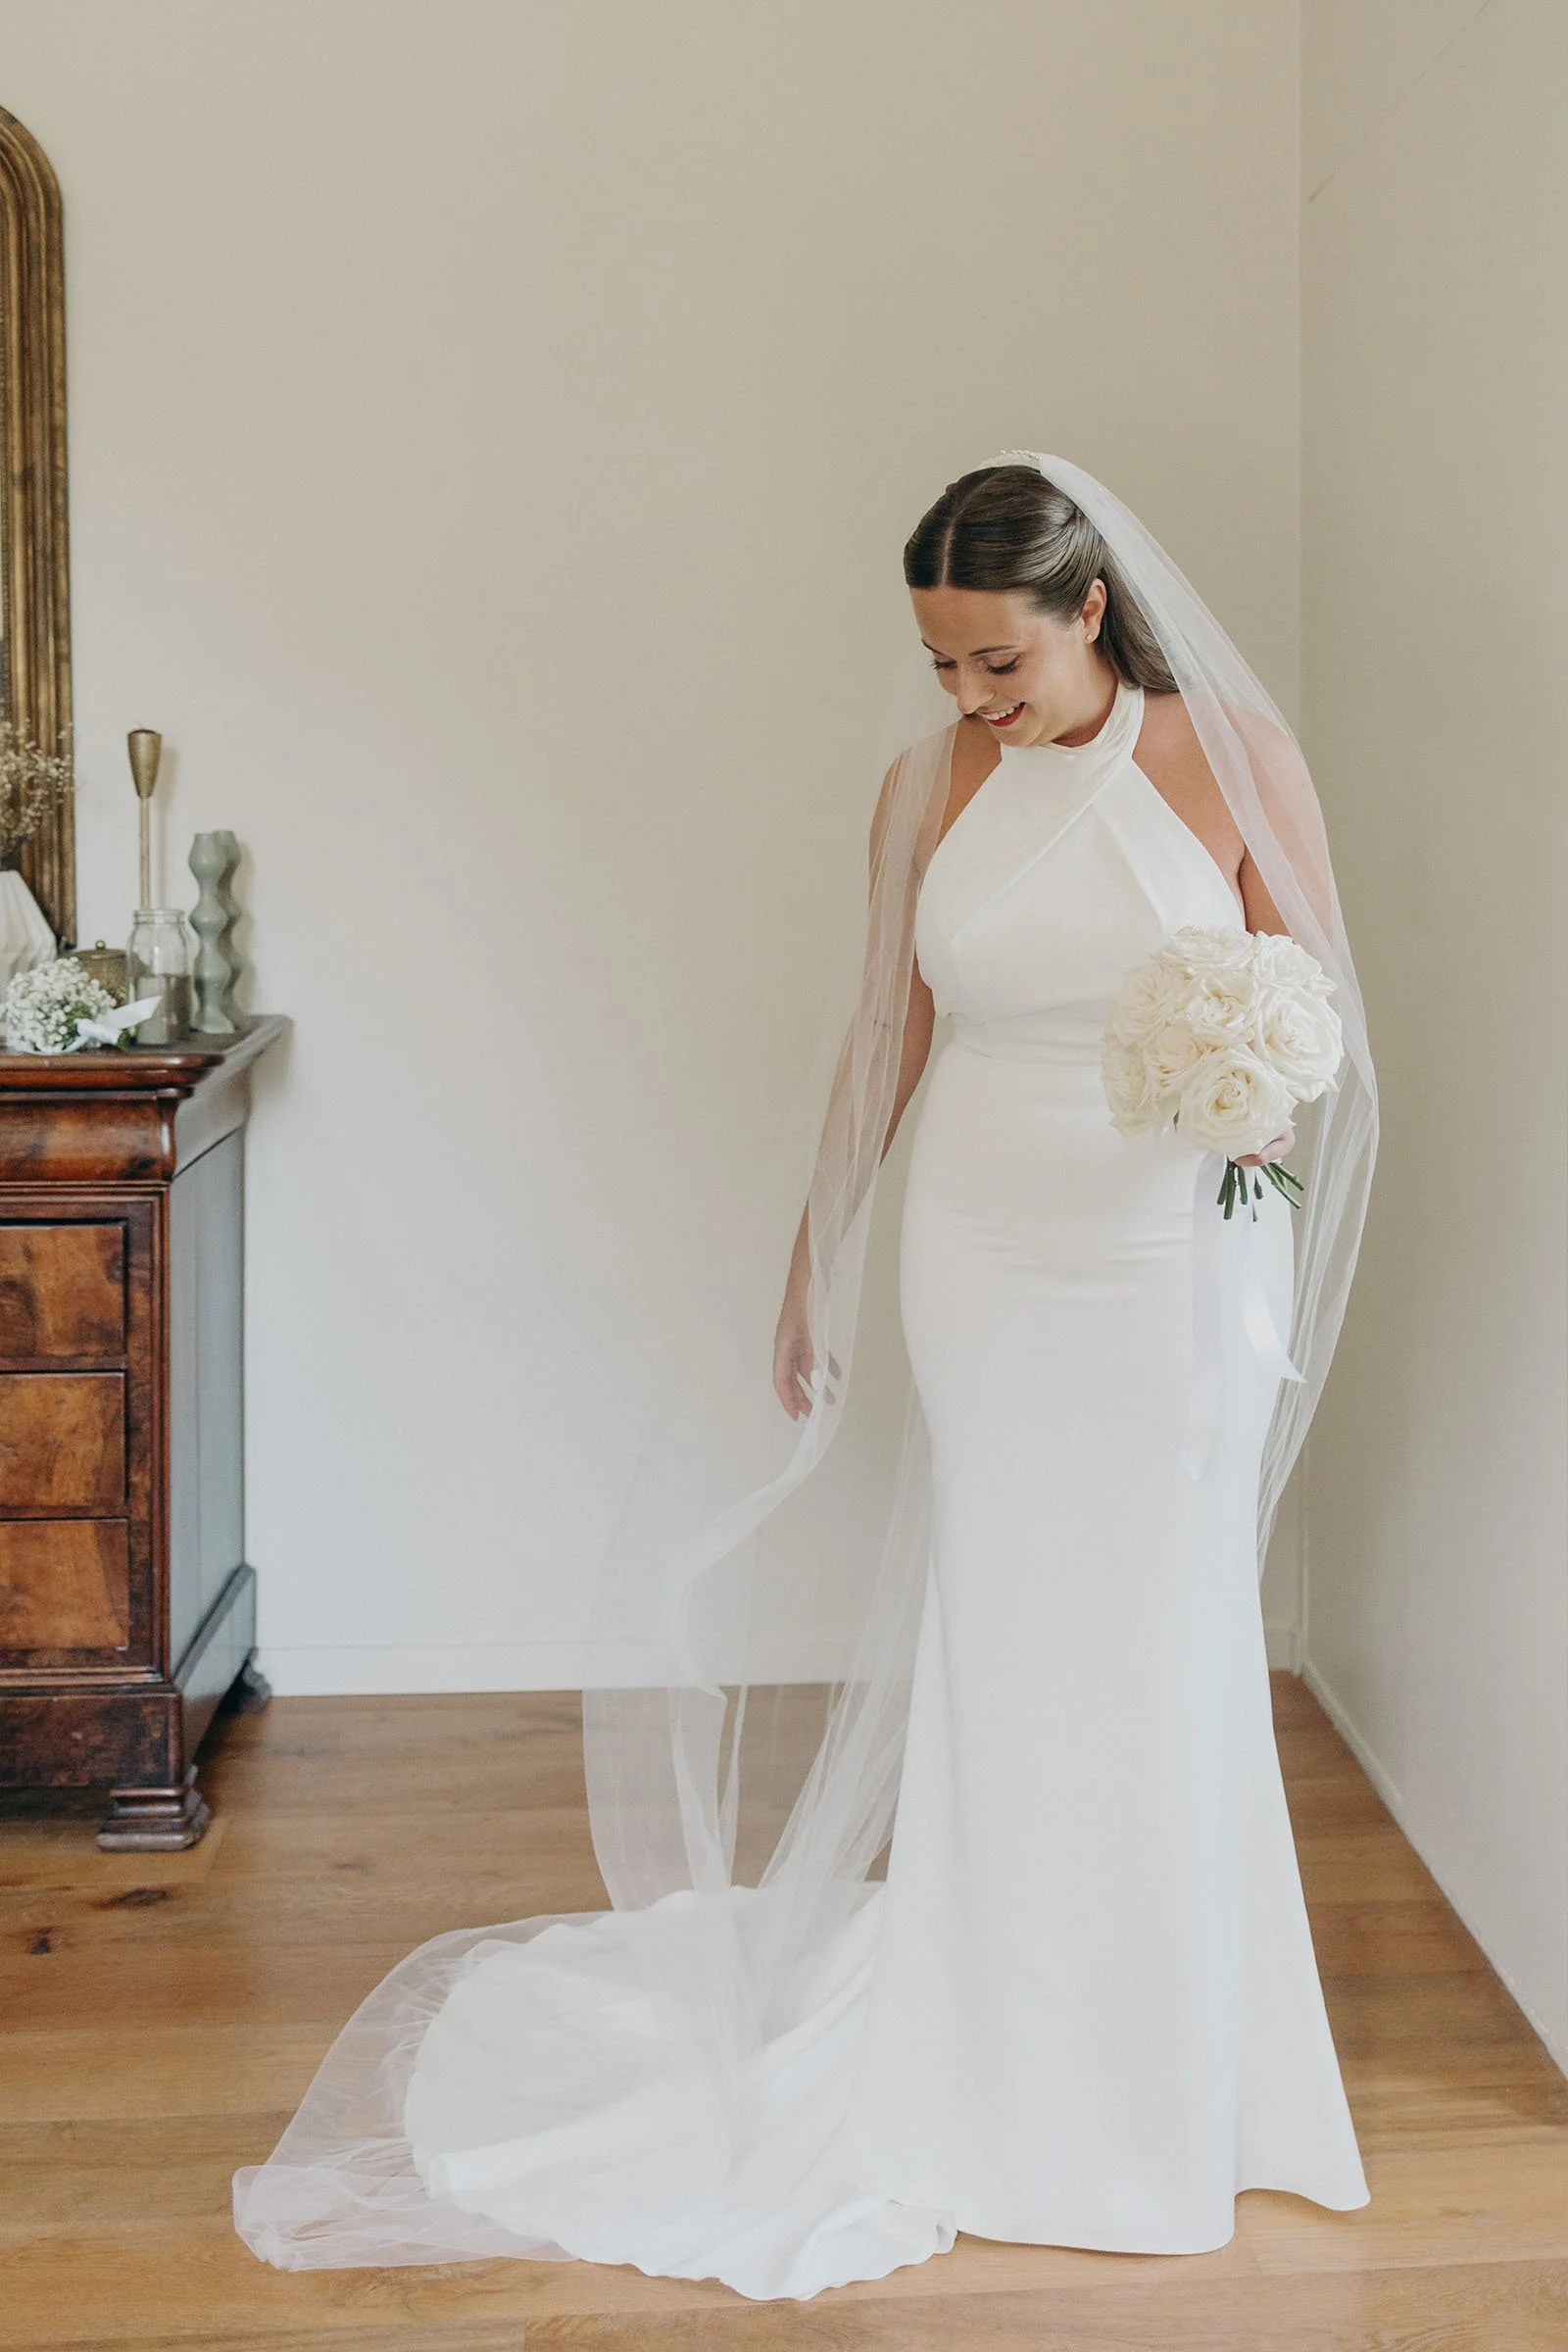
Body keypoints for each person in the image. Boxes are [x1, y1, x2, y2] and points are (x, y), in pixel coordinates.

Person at [234, 455, 1377, 2302]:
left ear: (1091, 611)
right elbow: (881, 1035)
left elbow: (1317, 1006)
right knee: (1005, 1627)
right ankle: (992, 2031)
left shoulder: (1228, 752)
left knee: (1164, 1626)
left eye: (997, 665)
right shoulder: (926, 789)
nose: (971, 705)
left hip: (1175, 1255)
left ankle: (1184, 2056)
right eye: (940, 669)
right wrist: (817, 1256)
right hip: (986, 1258)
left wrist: (1245, 1073)